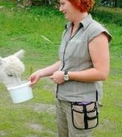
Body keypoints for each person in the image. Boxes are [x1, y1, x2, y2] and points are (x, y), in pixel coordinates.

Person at [28, 0, 112, 136]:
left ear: (77, 3)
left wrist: (66, 75)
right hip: (62, 99)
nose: (60, 9)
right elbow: (65, 62)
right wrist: (41, 73)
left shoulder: (96, 32)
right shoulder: (68, 29)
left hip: (81, 103)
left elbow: (102, 73)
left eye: (62, 4)